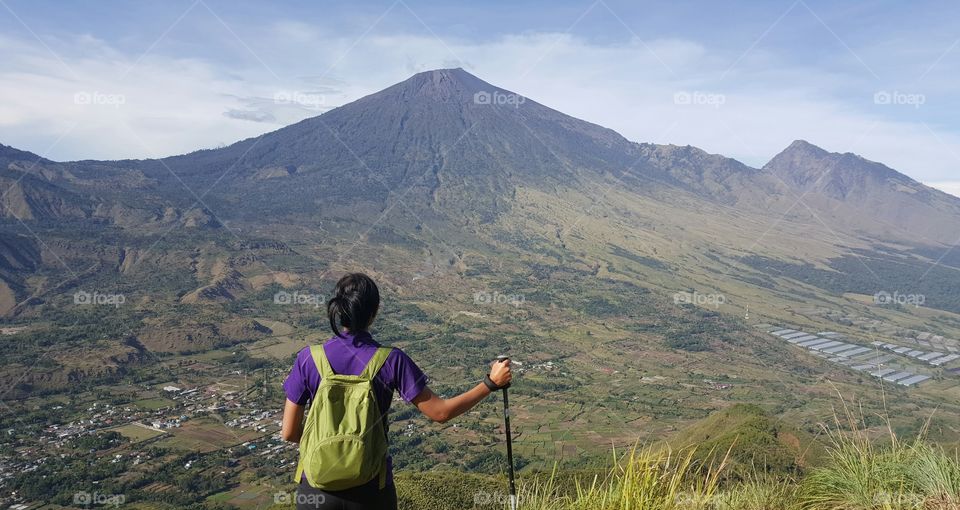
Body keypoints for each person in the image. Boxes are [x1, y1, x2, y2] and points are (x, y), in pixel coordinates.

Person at [281, 273, 513, 510]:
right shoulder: (391, 360)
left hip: (316, 491)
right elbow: (441, 413)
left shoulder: (308, 358)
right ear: (375, 311)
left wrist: (330, 448)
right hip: (371, 490)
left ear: (339, 310)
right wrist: (490, 383)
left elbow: (289, 432)